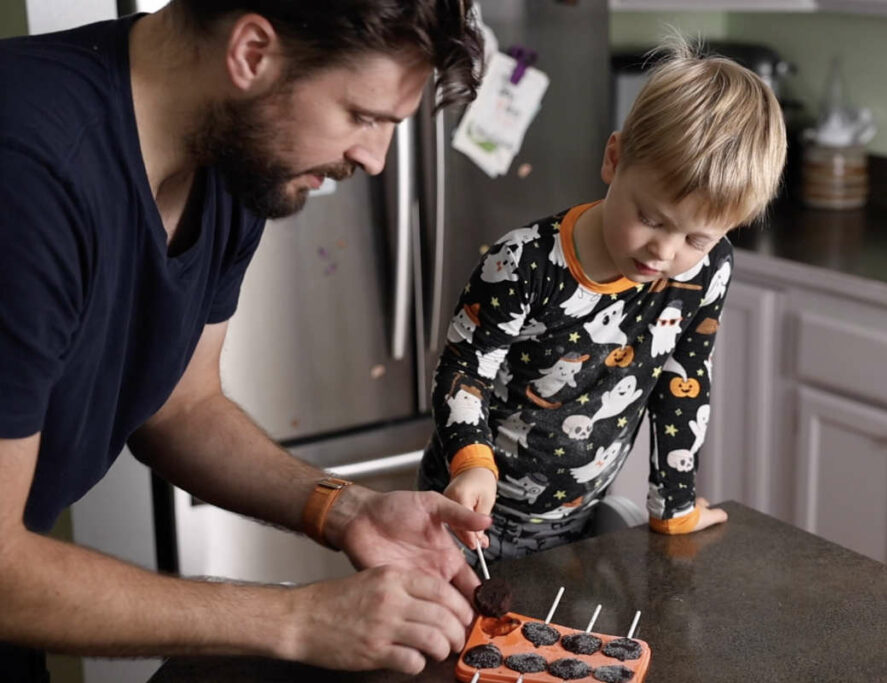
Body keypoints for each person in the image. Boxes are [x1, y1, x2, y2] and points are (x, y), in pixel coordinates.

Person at [0, 1, 493, 678]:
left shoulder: (235, 160)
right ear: (252, 53)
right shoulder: (27, 173)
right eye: (362, 116)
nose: (375, 160)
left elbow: (183, 405)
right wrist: (301, 619)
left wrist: (348, 511)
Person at [420, 38, 786, 560]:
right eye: (650, 219)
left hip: (580, 520)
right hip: (464, 518)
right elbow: (462, 373)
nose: (663, 251)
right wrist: (472, 463)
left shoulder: (708, 270)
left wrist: (674, 504)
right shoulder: (523, 264)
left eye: (696, 238)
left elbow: (683, 382)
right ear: (614, 159)